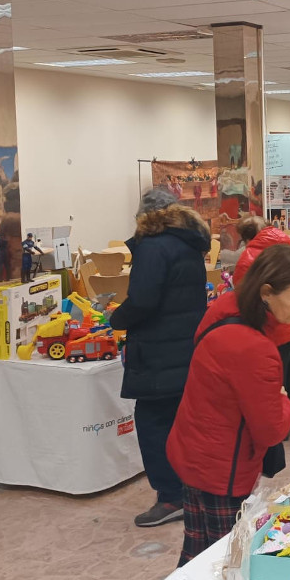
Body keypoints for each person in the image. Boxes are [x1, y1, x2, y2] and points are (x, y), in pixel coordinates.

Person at [169, 245, 290, 564]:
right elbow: (271, 430)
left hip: (194, 451)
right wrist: (284, 402)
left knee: (196, 554)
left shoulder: (225, 307)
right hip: (224, 467)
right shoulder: (254, 349)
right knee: (228, 562)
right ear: (266, 293)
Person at [109, 189, 211, 527]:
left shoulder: (152, 247)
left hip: (158, 352)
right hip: (186, 347)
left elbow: (143, 300)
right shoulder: (189, 242)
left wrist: (117, 319)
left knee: (153, 423)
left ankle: (170, 496)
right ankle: (192, 488)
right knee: (183, 423)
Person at [233, 216, 290, 436]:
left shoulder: (249, 257)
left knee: (277, 380)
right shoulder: (289, 250)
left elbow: (242, 293)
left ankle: (282, 428)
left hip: (275, 328)